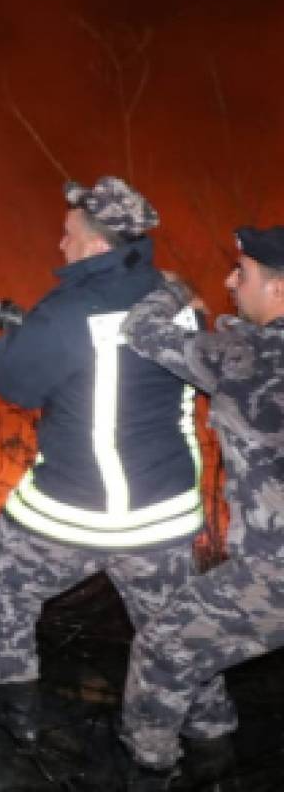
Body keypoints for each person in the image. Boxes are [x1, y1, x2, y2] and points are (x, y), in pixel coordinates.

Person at [0, 177, 235, 747]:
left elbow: (14, 381)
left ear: (97, 246)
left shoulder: (70, 310)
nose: (60, 245)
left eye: (68, 235)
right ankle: (215, 740)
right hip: (163, 517)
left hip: (79, 512)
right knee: (175, 635)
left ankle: (18, 712)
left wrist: (14, 340)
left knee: (1, 578)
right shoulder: (176, 301)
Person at [117, 225, 284, 778]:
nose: (230, 282)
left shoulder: (243, 356)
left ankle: (151, 773)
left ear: (279, 288)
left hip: (274, 576)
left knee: (162, 647)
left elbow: (141, 330)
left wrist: (174, 289)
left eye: (243, 273)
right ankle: (216, 758)